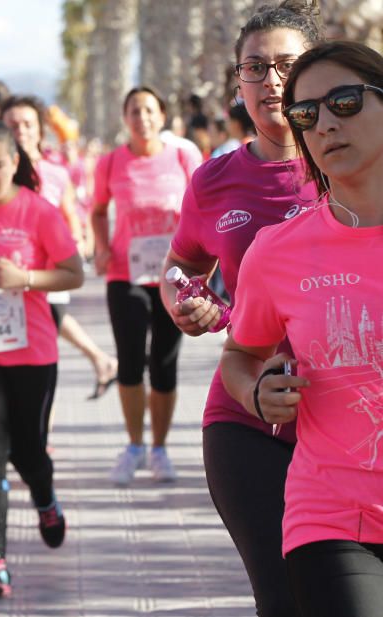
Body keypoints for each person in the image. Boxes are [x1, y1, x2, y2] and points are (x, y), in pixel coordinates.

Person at [160, 4, 321, 614]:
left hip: (349, 420)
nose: (272, 82)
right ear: (238, 84)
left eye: (286, 65)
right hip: (245, 420)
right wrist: (184, 304)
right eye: (256, 68)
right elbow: (179, 270)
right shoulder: (213, 180)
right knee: (282, 597)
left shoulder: (355, 168)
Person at [222, 39, 383, 617]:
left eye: (345, 101)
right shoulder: (279, 251)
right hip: (334, 514)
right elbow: (241, 355)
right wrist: (255, 392)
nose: (325, 125)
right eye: (306, 114)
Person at [0, 120, 83, 598]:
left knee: (28, 450)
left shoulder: (39, 211)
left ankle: (45, 498)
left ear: (15, 162)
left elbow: (72, 275)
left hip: (33, 353)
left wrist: (24, 278)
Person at [92, 86, 202, 486]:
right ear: (126, 118)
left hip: (175, 277)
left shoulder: (182, 156)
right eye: (135, 111)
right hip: (126, 275)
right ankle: (134, 445)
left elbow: (202, 208)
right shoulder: (111, 163)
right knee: (130, 360)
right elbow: (99, 211)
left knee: (164, 363)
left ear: (163, 116)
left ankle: (160, 449)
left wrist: (206, 261)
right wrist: (101, 248)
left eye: (150, 110)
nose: (143, 118)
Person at [1, 95, 119, 400]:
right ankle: (101, 360)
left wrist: (79, 243)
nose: (21, 131)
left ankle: (45, 433)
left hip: (50, 271)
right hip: (4, 277)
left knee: (48, 333)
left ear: (41, 130)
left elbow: (70, 214)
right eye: (12, 125)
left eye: (28, 124)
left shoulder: (55, 172)